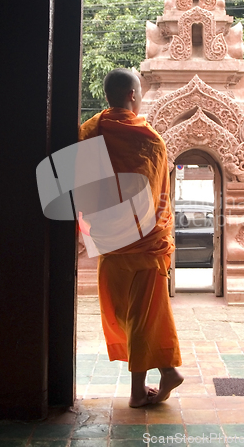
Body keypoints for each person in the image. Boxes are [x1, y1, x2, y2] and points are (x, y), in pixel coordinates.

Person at [79, 68, 184, 407]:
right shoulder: (150, 139)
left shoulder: (89, 131)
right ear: (132, 96)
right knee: (143, 315)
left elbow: (80, 187)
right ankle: (159, 376)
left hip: (109, 242)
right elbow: (159, 193)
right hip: (145, 243)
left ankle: (145, 386)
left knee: (127, 314)